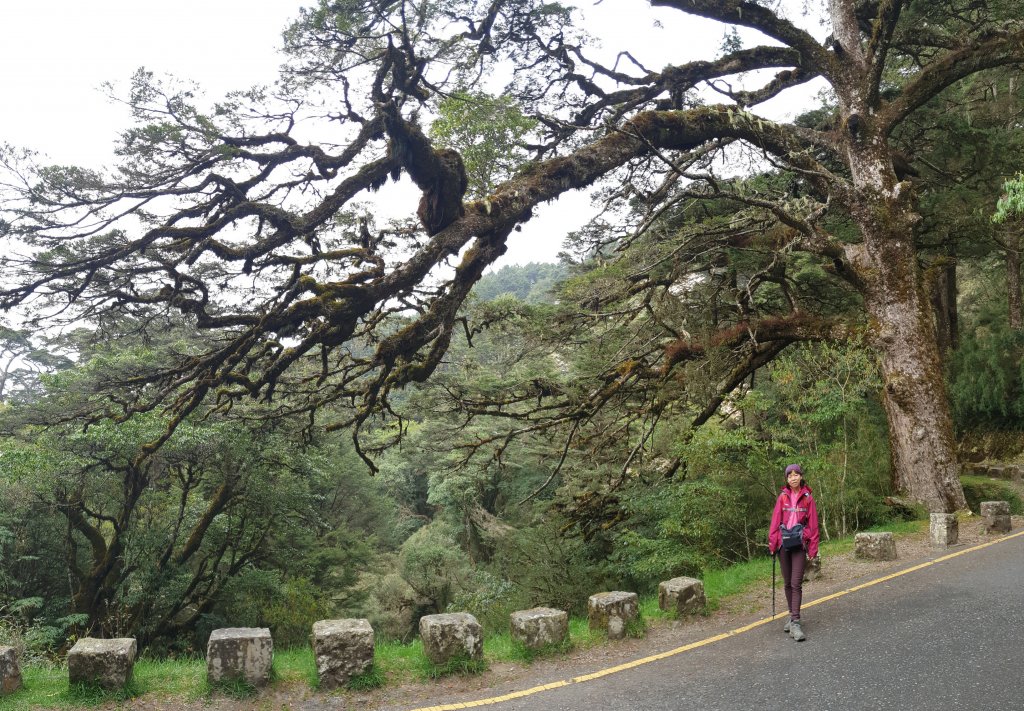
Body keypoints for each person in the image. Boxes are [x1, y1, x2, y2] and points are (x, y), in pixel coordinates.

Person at [768, 463, 820, 642]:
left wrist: (812, 546)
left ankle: (795, 622)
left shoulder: (808, 498)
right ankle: (791, 616)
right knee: (788, 584)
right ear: (787, 479)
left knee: (796, 582)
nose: (793, 478)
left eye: (796, 474)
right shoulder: (782, 498)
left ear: (801, 476)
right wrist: (772, 544)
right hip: (783, 545)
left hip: (799, 545)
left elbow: (813, 524)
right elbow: (775, 522)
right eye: (790, 475)